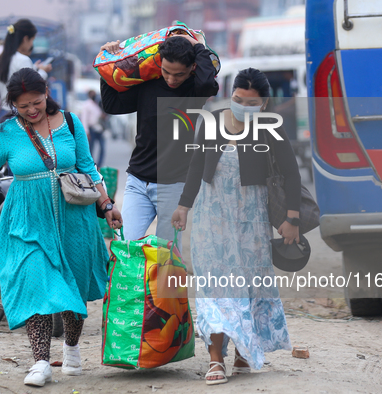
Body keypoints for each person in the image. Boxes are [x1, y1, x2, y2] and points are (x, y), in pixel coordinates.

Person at [0, 68, 122, 387]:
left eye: (36, 102)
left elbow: (88, 167)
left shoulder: (72, 123)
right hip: (26, 220)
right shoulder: (6, 133)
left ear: (47, 92)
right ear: (13, 105)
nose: (32, 110)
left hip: (73, 218)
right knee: (36, 286)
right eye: (23, 106)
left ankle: (72, 348)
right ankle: (40, 362)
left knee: (71, 286)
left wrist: (106, 205)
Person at [171, 68, 301, 385]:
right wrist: (184, 205)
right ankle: (216, 360)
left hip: (251, 218)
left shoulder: (270, 128)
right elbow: (197, 164)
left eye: (250, 102)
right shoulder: (211, 120)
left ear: (264, 104)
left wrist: (292, 219)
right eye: (237, 99)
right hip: (211, 214)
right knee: (214, 287)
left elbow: (291, 173)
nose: (242, 105)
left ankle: (245, 351)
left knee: (250, 286)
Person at [100, 35, 218, 245]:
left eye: (179, 74)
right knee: (126, 246)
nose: (171, 79)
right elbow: (112, 105)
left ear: (192, 68)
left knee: (167, 257)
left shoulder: (194, 92)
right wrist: (107, 63)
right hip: (137, 181)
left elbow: (208, 81)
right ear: (159, 64)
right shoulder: (148, 85)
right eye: (166, 72)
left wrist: (197, 45)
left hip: (173, 186)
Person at [0, 19, 52, 120]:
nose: (31, 45)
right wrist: (43, 71)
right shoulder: (22, 59)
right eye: (32, 40)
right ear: (25, 39)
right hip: (18, 114)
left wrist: (35, 68)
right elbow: (32, 86)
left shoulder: (2, 58)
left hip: (3, 112)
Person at [80, 90, 105, 167]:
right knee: (91, 148)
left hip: (99, 128)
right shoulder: (87, 105)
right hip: (91, 129)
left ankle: (99, 165)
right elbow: (84, 119)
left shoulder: (97, 104)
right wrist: (86, 131)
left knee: (102, 147)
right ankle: (91, 165)